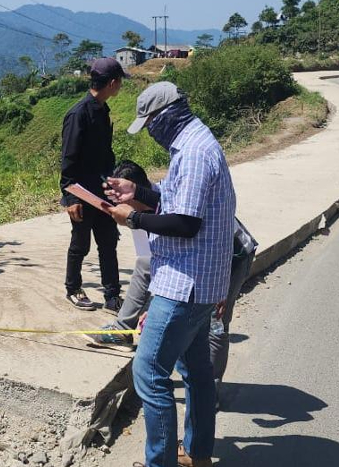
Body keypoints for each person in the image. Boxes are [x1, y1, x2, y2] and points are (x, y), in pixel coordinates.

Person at [106, 82, 236, 467]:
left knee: (148, 370)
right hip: (201, 282)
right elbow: (176, 195)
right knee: (196, 371)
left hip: (185, 282)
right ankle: (197, 454)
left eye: (150, 124)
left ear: (166, 115)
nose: (150, 132)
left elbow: (185, 222)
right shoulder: (195, 142)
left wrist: (132, 218)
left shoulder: (193, 152)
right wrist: (139, 190)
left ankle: (160, 462)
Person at [89, 161, 258, 408]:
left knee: (216, 323)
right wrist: (153, 306)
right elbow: (150, 264)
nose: (119, 209)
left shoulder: (173, 206)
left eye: (123, 200)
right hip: (202, 257)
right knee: (144, 266)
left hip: (231, 254)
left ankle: (209, 391)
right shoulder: (137, 214)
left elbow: (214, 246)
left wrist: (220, 285)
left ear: (138, 190)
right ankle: (122, 329)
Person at [60, 57, 129, 312]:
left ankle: (112, 296)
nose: (120, 87)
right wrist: (71, 198)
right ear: (112, 83)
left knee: (108, 242)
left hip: (103, 191)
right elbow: (68, 158)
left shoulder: (103, 109)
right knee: (80, 244)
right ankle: (73, 288)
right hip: (81, 192)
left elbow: (105, 153)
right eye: (120, 82)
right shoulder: (78, 114)